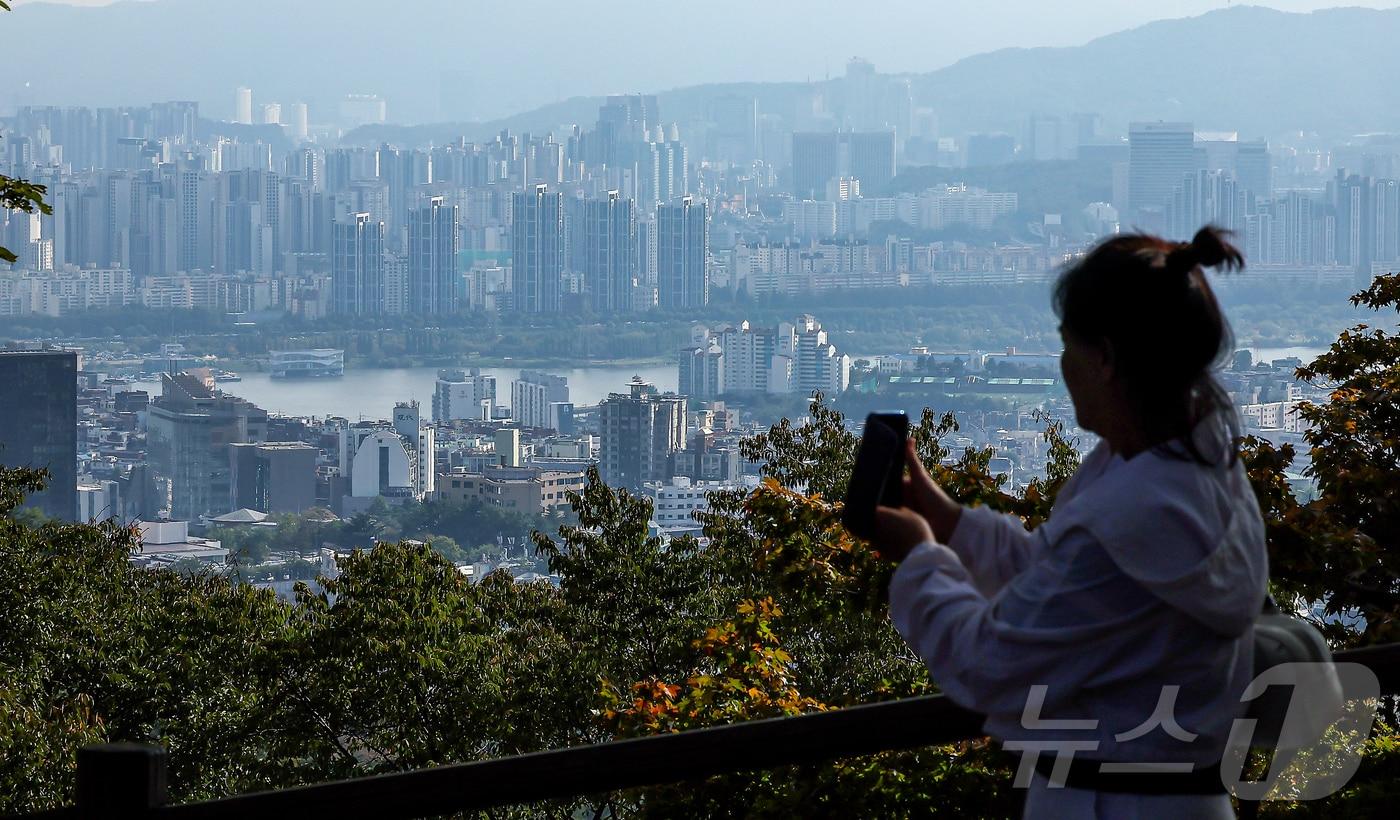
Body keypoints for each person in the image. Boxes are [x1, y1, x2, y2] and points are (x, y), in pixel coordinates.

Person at [873, 226, 1269, 819]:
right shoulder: (1197, 467)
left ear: (1104, 357)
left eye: (1067, 345)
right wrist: (952, 523)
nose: (1064, 365)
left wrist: (923, 556)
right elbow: (1061, 585)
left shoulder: (1132, 510)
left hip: (1112, 802)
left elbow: (987, 665)